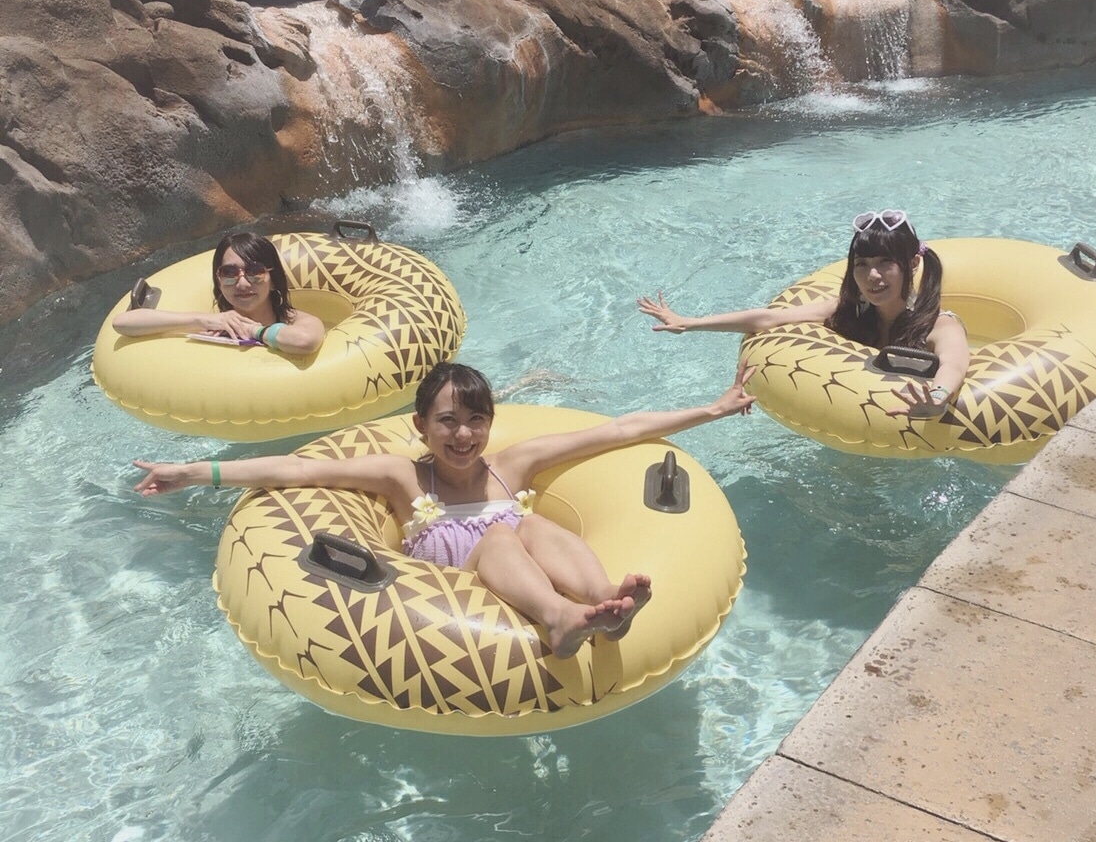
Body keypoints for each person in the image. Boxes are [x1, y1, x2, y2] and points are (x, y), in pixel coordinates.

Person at [132, 360, 756, 659]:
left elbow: (617, 430)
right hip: (443, 607)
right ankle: (562, 617)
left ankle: (604, 604)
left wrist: (713, 408)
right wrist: (193, 472)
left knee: (530, 522)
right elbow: (296, 470)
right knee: (503, 536)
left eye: (476, 420)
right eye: (448, 422)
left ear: (491, 423)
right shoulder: (403, 477)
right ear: (422, 426)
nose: (463, 436)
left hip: (524, 569)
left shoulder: (511, 466)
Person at [637, 209, 969, 419]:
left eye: (886, 263)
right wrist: (689, 323)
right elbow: (769, 319)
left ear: (912, 263)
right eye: (862, 264)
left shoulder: (940, 325)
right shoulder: (852, 310)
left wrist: (937, 398)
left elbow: (953, 364)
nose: (872, 276)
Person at [112, 231, 325, 354]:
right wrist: (202, 320)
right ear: (219, 280)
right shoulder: (213, 324)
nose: (242, 283)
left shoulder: (295, 320)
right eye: (229, 273)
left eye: (255, 272)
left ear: (273, 280)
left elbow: (305, 341)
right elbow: (122, 323)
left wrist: (253, 330)